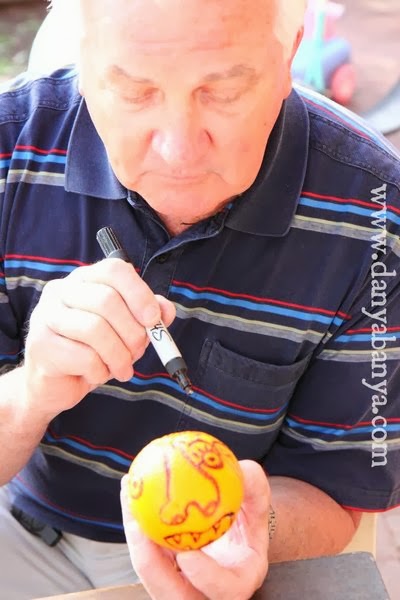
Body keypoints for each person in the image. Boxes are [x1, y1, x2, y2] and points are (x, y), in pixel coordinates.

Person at [0, 0, 399, 598]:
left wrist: (250, 527)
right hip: (16, 525)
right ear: (84, 63)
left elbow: (338, 487)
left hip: (224, 564)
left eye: (224, 91)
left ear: (290, 55)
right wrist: (31, 389)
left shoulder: (376, 215)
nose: (179, 151)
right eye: (136, 91)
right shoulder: (10, 151)